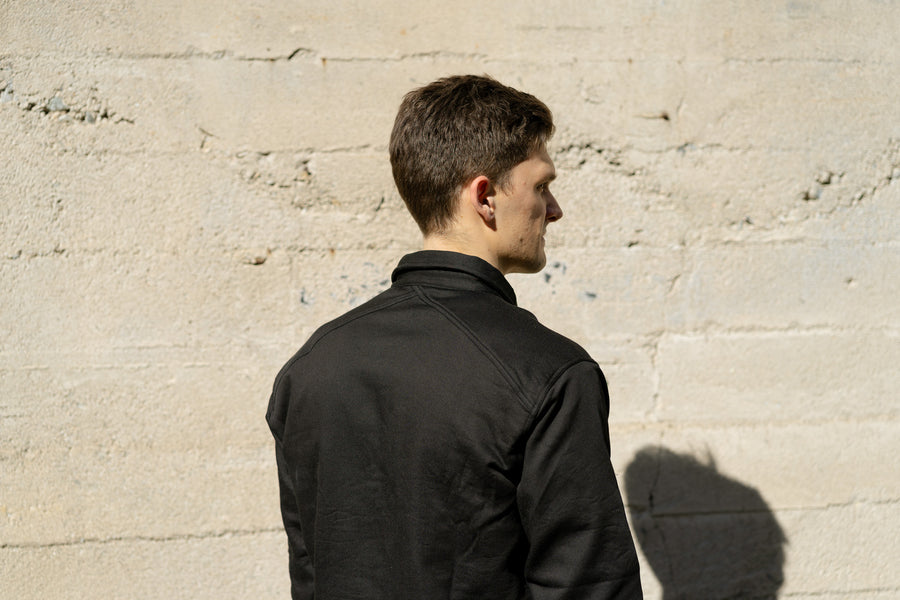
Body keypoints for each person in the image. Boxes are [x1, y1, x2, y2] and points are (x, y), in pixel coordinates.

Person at [266, 74, 642, 599]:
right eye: (541, 186)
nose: (554, 209)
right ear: (485, 197)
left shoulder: (310, 367)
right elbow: (589, 586)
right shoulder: (549, 373)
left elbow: (310, 576)